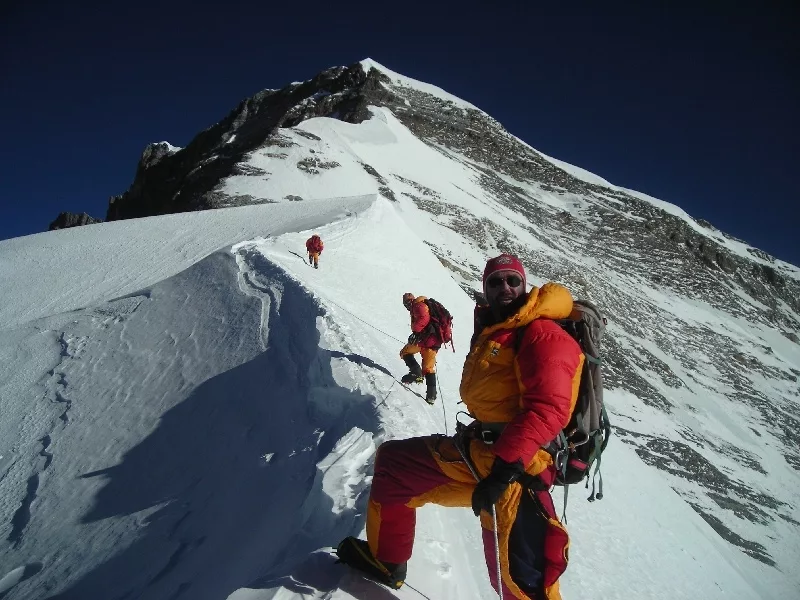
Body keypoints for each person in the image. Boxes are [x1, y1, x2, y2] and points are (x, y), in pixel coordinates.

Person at [336, 254, 583, 600]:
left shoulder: (539, 331)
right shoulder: (499, 328)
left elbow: (548, 408)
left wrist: (502, 472)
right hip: (479, 452)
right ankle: (386, 562)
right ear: (485, 287)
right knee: (394, 465)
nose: (505, 288)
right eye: (495, 282)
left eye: (512, 280)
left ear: (524, 285)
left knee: (519, 582)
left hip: (518, 468)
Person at [399, 292, 440, 404]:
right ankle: (431, 396)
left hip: (424, 341)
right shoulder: (421, 305)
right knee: (428, 368)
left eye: (407, 302)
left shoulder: (418, 305)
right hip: (432, 342)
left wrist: (416, 333)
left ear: (410, 300)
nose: (406, 305)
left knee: (405, 352)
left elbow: (423, 318)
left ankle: (416, 373)